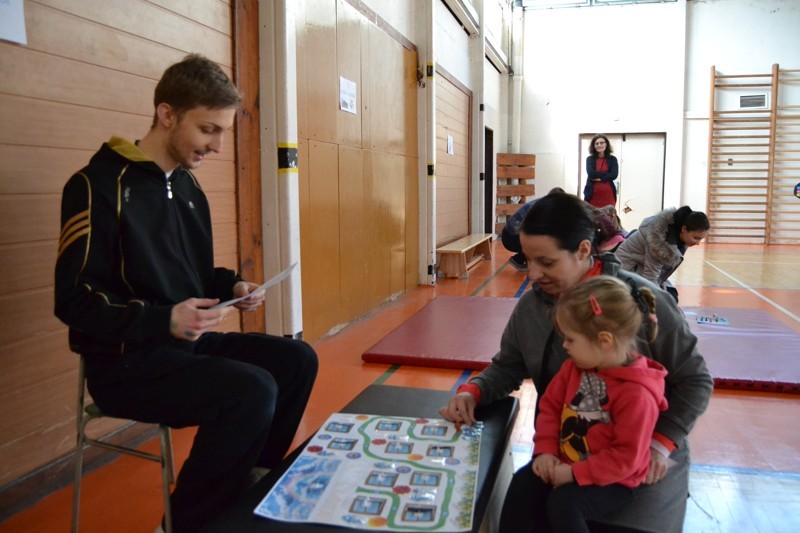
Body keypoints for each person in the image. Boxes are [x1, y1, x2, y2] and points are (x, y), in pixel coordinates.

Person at [54, 54, 318, 532]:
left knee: (297, 359)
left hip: (185, 349)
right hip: (126, 364)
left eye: (222, 132)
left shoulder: (188, 188)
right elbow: (73, 298)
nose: (216, 145)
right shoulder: (95, 186)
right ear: (167, 114)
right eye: (208, 130)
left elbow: (191, 274)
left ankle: (247, 486)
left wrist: (231, 285)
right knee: (251, 390)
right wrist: (164, 320)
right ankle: (186, 524)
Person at [438, 193, 713, 532]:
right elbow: (508, 366)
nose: (533, 274)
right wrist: (474, 390)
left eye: (546, 262)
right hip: (568, 459)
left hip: (638, 465)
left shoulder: (642, 303)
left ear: (583, 250)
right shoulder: (531, 309)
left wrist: (661, 443)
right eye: (528, 260)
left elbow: (695, 380)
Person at [528, 275, 668, 532]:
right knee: (524, 485)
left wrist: (574, 474)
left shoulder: (637, 395)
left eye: (571, 339)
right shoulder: (573, 368)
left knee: (564, 504)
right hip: (565, 461)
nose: (564, 345)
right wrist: (545, 451)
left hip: (615, 479)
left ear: (604, 340)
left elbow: (625, 458)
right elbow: (550, 409)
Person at [614, 206, 710, 302]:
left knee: (672, 297)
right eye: (696, 238)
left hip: (643, 269)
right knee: (662, 302)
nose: (698, 243)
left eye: (700, 239)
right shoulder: (659, 242)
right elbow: (649, 279)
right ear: (684, 229)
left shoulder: (680, 235)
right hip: (625, 270)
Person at [501, 187, 565, 271]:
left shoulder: (542, 203)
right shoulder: (543, 207)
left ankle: (528, 260)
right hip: (510, 238)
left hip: (509, 234)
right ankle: (518, 260)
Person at [583, 133, 619, 208]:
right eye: (596, 143)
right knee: (591, 214)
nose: (599, 145)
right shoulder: (589, 159)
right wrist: (607, 175)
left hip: (608, 195)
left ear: (606, 144)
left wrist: (599, 179)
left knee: (608, 215)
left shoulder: (613, 159)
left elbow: (614, 175)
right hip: (592, 195)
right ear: (594, 146)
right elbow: (591, 174)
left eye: (602, 143)